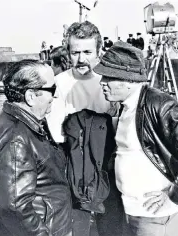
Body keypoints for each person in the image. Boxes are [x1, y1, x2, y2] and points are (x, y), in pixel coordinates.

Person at [94, 41, 178, 236]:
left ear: (129, 80)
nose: (102, 82)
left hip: (156, 218)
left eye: (108, 77)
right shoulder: (126, 107)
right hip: (132, 213)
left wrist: (175, 197)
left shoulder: (158, 104)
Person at [0, 60, 72, 236]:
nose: (56, 96)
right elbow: (15, 208)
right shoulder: (17, 139)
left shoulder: (11, 123)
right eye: (51, 90)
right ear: (30, 96)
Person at [46, 21, 123, 236]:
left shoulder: (109, 81)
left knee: (112, 225)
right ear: (67, 53)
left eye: (88, 52)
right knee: (77, 228)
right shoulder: (58, 83)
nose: (81, 59)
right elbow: (55, 135)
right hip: (73, 164)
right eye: (75, 52)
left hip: (108, 164)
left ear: (99, 51)